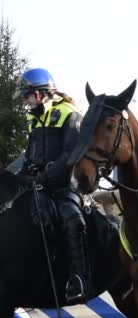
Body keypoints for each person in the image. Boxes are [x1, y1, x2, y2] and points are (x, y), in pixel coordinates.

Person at [14, 68, 88, 303]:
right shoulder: (32, 117)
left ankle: (78, 278)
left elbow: (71, 155)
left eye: (26, 96)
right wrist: (24, 174)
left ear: (40, 93)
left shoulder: (69, 112)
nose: (25, 102)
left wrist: (46, 176)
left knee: (72, 220)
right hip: (39, 184)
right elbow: (30, 154)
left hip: (65, 185)